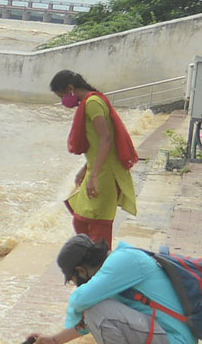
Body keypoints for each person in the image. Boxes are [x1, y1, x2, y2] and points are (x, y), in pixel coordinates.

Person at [26, 235, 199, 344]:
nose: (75, 284)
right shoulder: (118, 265)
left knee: (94, 308)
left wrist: (76, 314)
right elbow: (88, 324)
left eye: (73, 280)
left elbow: (79, 301)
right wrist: (54, 340)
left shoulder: (122, 262)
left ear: (81, 270)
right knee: (97, 309)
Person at [50, 70, 139, 247]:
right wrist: (86, 168)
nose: (63, 102)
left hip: (105, 173)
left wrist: (94, 175)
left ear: (70, 88)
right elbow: (99, 143)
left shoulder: (92, 103)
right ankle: (90, 266)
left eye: (62, 96)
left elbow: (106, 138)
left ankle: (98, 267)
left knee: (98, 227)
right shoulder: (90, 102)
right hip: (97, 168)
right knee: (80, 220)